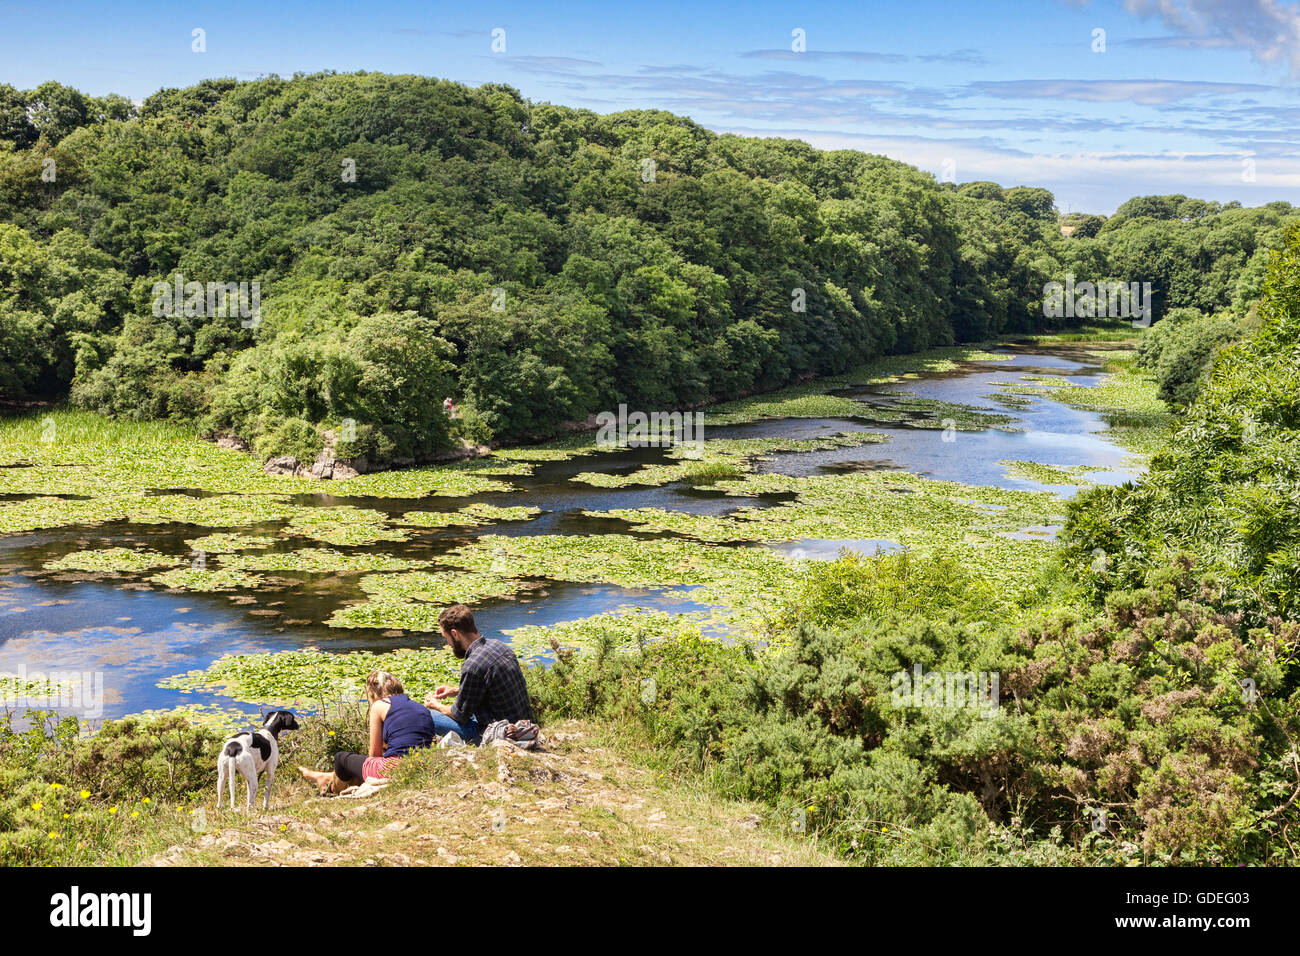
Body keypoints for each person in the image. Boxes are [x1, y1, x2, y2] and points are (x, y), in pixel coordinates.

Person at [298, 670, 435, 794]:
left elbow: (374, 755)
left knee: (341, 758)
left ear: (373, 693)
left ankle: (330, 790)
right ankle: (328, 776)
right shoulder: (420, 707)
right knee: (358, 763)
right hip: (421, 764)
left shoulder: (380, 705)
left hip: (394, 769)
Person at [424, 604, 533, 745]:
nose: (448, 644)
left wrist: (435, 705)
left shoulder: (473, 666)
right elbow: (493, 689)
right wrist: (457, 691)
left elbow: (459, 716)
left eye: (447, 638)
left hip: (497, 732)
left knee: (426, 716)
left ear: (455, 634)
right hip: (523, 724)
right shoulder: (501, 646)